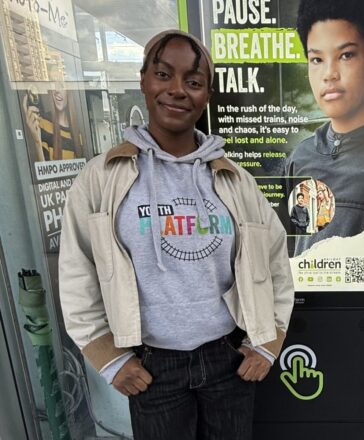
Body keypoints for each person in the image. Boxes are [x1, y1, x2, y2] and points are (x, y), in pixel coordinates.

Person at [58, 30, 294, 440]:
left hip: (228, 358)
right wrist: (108, 357)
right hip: (150, 365)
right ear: (144, 81)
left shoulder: (234, 180)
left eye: (194, 81)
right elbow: (77, 270)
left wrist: (267, 343)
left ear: (206, 95)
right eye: (164, 75)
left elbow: (274, 261)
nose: (177, 90)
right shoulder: (103, 178)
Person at [284, 0, 364, 255]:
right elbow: (291, 242)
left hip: (363, 295)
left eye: (346, 55)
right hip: (306, 294)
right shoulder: (301, 156)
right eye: (316, 59)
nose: (329, 74)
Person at [22, 86, 85, 161]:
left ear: (69, 91)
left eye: (61, 85)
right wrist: (37, 142)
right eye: (53, 85)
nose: (57, 90)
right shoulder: (42, 123)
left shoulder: (77, 133)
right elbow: (44, 169)